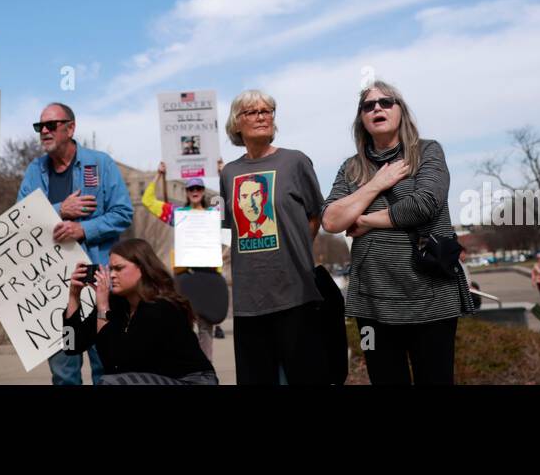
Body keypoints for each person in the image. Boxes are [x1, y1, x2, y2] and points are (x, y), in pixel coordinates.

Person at [322, 81, 475, 385]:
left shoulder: (427, 151)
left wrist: (365, 221)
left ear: (401, 111)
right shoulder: (351, 168)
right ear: (361, 119)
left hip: (430, 296)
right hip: (372, 304)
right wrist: (377, 183)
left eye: (386, 102)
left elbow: (424, 204)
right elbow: (331, 220)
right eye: (368, 105)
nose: (377, 107)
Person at [18, 102, 133, 385]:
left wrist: (83, 229)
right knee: (64, 374)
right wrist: (59, 210)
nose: (44, 131)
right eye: (39, 126)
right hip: (55, 292)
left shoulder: (101, 164)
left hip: (99, 287)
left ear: (70, 128)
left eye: (51, 125)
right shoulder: (35, 171)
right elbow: (20, 221)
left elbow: (123, 213)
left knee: (106, 368)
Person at [219, 89, 325, 385]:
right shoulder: (229, 173)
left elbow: (315, 215)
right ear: (236, 123)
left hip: (295, 294)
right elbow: (234, 229)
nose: (262, 117)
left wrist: (297, 250)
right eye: (252, 112)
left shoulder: (295, 162)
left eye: (267, 111)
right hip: (248, 300)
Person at [61, 238, 218, 385]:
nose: (112, 275)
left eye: (119, 268)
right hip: (155, 378)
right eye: (111, 269)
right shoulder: (116, 304)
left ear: (142, 269)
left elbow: (116, 362)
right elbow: (70, 346)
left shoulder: (162, 307)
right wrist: (74, 296)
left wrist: (102, 308)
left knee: (111, 382)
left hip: (190, 380)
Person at [142, 160, 226, 358]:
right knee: (184, 324)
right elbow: (148, 200)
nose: (194, 191)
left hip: (209, 276)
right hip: (185, 276)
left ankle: (206, 369)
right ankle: (188, 368)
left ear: (203, 191)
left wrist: (224, 173)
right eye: (191, 188)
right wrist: (158, 174)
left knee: (206, 328)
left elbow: (232, 199)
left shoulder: (215, 214)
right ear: (187, 192)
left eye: (198, 187)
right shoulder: (177, 214)